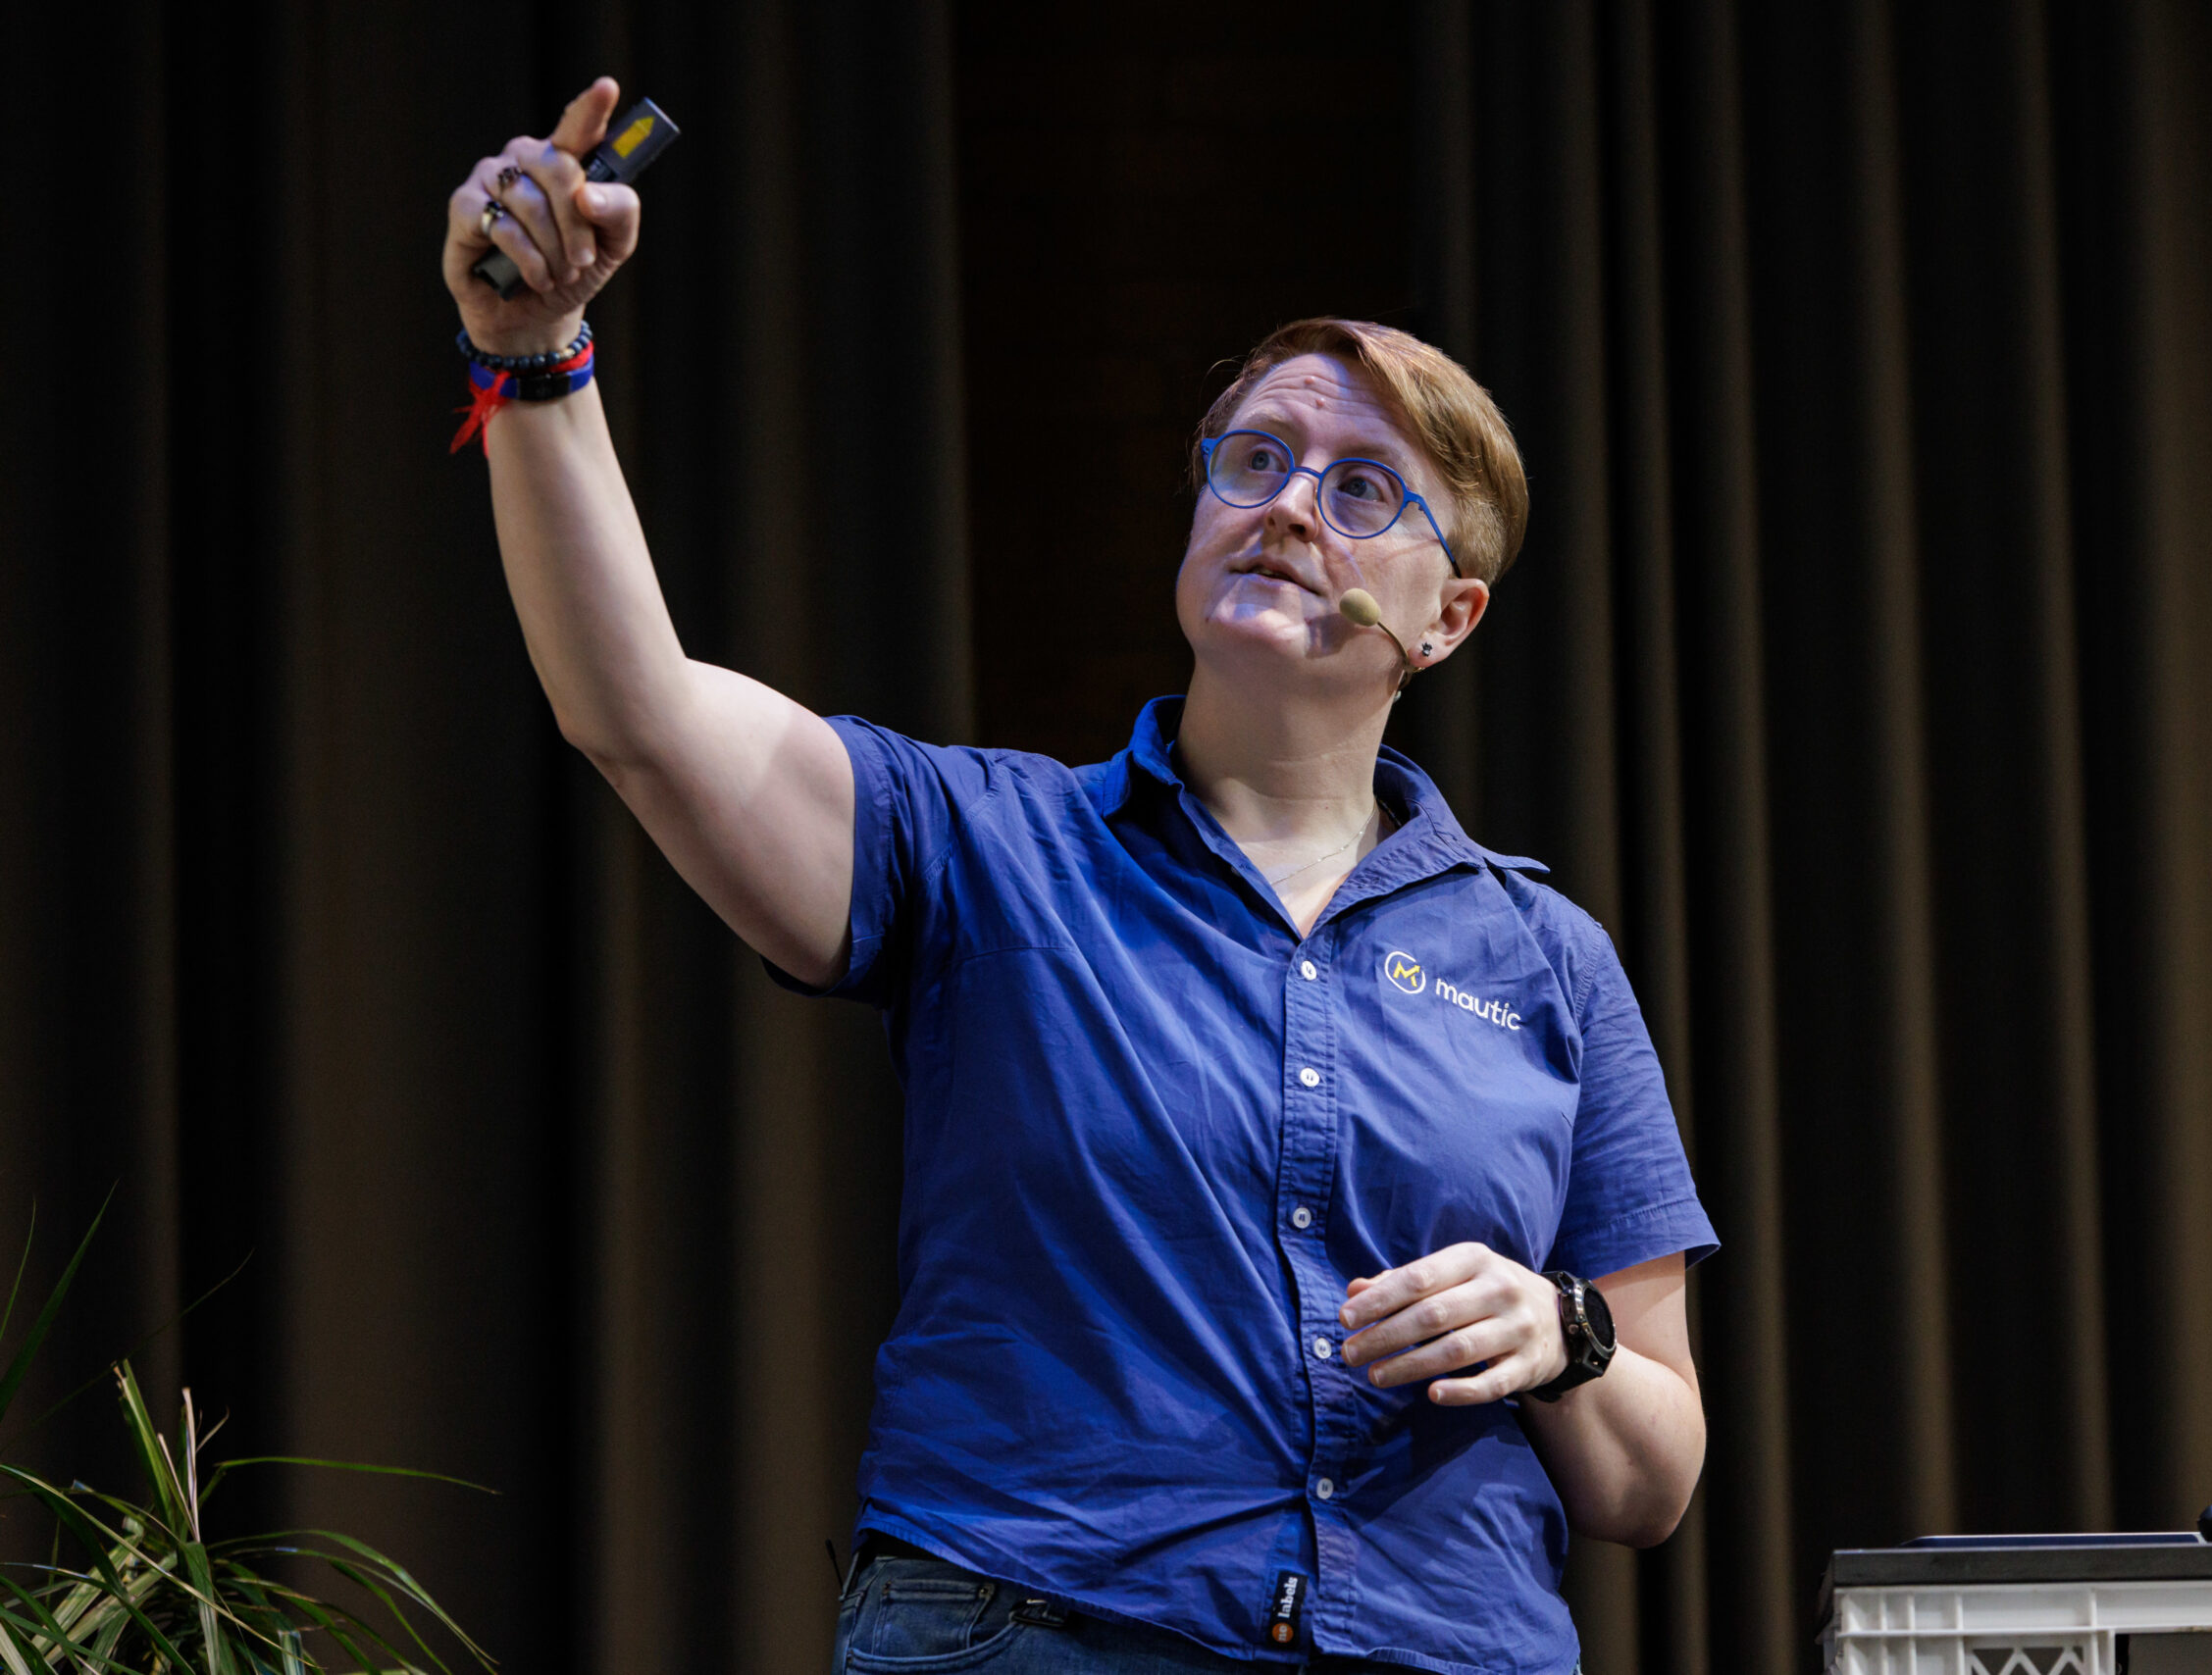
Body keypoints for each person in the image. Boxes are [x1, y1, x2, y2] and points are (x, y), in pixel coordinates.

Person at [443, 77, 1716, 1675]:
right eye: (1250, 459)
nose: (1288, 508)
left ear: (1447, 620)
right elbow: (631, 706)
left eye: (1363, 488)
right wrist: (533, 360)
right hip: (1038, 1629)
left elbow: (1654, 1475)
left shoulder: (1548, 958)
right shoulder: (989, 848)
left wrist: (1561, 1335)